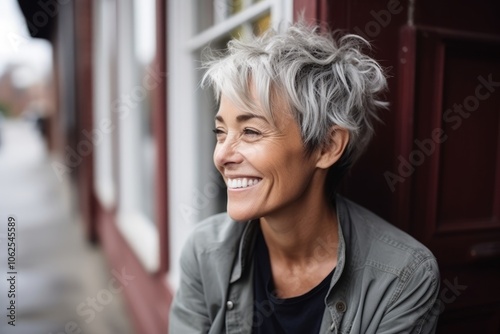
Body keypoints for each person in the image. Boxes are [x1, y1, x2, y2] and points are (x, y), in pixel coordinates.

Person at [169, 23, 440, 334]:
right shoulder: (204, 251)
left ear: (327, 146)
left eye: (251, 132)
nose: (222, 156)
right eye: (221, 132)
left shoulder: (404, 276)